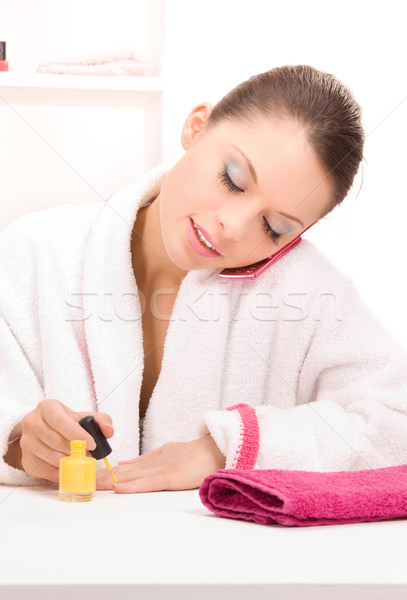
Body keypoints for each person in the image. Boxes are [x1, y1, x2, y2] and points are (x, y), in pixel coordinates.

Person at [2, 64, 407, 494]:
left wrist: (223, 450)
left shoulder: (309, 291)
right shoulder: (35, 250)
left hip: (226, 560)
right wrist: (17, 442)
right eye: (232, 180)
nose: (233, 226)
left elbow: (394, 425)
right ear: (196, 127)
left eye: (274, 227)